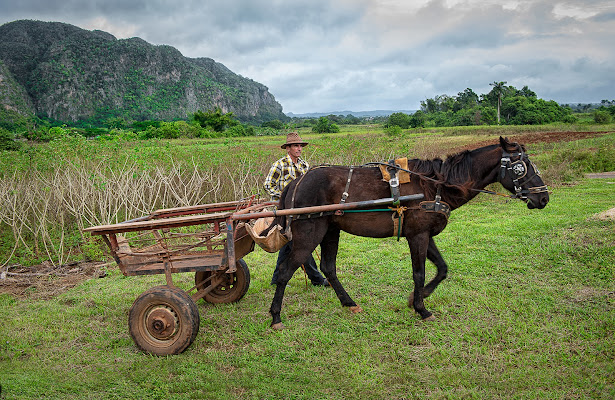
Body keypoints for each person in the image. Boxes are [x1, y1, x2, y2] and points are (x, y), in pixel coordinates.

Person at [264, 132, 329, 286]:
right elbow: (268, 185)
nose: (299, 148)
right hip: (285, 211)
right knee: (298, 243)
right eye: (295, 146)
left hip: (301, 212)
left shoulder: (304, 165)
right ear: (288, 148)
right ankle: (317, 279)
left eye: (300, 145)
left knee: (289, 243)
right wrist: (285, 198)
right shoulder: (279, 165)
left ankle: (276, 279)